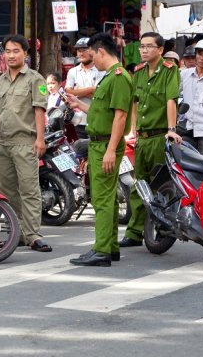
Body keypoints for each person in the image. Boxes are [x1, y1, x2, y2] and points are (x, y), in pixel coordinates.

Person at [68, 33, 133, 266]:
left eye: (92, 55)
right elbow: (102, 115)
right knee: (106, 198)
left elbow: (120, 116)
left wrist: (110, 150)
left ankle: (102, 249)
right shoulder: (109, 78)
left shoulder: (118, 77)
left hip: (105, 144)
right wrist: (79, 105)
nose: (91, 59)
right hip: (100, 142)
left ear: (102, 51)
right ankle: (110, 246)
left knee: (102, 198)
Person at [0, 34, 51, 253]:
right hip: (1, 144)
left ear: (26, 53)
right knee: (6, 192)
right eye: (8, 51)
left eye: (16, 51)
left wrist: (40, 139)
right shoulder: (0, 81)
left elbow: (39, 111)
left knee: (29, 190)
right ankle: (17, 233)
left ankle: (33, 235)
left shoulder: (35, 79)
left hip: (25, 142)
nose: (11, 55)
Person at [121, 32, 181, 249]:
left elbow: (171, 100)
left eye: (149, 46)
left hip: (159, 136)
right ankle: (134, 233)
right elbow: (135, 103)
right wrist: (133, 130)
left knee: (159, 186)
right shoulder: (138, 71)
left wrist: (172, 129)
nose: (144, 50)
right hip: (142, 139)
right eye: (141, 46)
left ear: (160, 50)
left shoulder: (169, 70)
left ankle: (162, 227)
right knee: (139, 186)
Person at [65, 37, 106, 140]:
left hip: (96, 119)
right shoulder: (72, 71)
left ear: (92, 51)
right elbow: (68, 92)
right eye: (79, 51)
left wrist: (76, 92)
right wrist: (91, 89)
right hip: (77, 120)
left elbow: (100, 95)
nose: (81, 54)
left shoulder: (101, 70)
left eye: (84, 50)